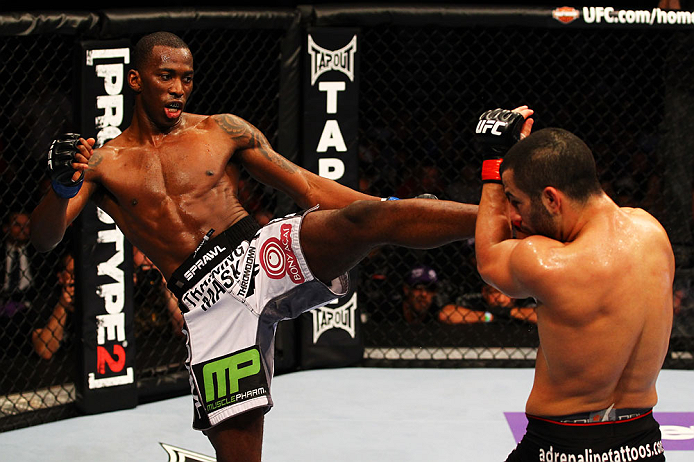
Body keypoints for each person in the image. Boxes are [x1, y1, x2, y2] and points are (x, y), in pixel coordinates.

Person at [30, 31, 478, 462]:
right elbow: (45, 237)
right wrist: (59, 188)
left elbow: (305, 184)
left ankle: (494, 221)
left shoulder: (221, 130)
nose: (178, 88)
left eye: (187, 77)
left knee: (367, 218)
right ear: (135, 80)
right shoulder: (103, 164)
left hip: (259, 255)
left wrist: (390, 209)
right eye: (166, 76)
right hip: (207, 304)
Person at [474, 107, 672, 461]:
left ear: (551, 198)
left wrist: (493, 162)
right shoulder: (653, 234)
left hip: (562, 449)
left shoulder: (546, 261)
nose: (514, 217)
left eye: (515, 201)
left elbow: (489, 258)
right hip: (644, 445)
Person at [32, 252, 74, 360]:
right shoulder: (46, 300)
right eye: (72, 273)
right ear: (61, 277)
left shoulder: (100, 296)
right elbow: (45, 351)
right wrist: (62, 305)